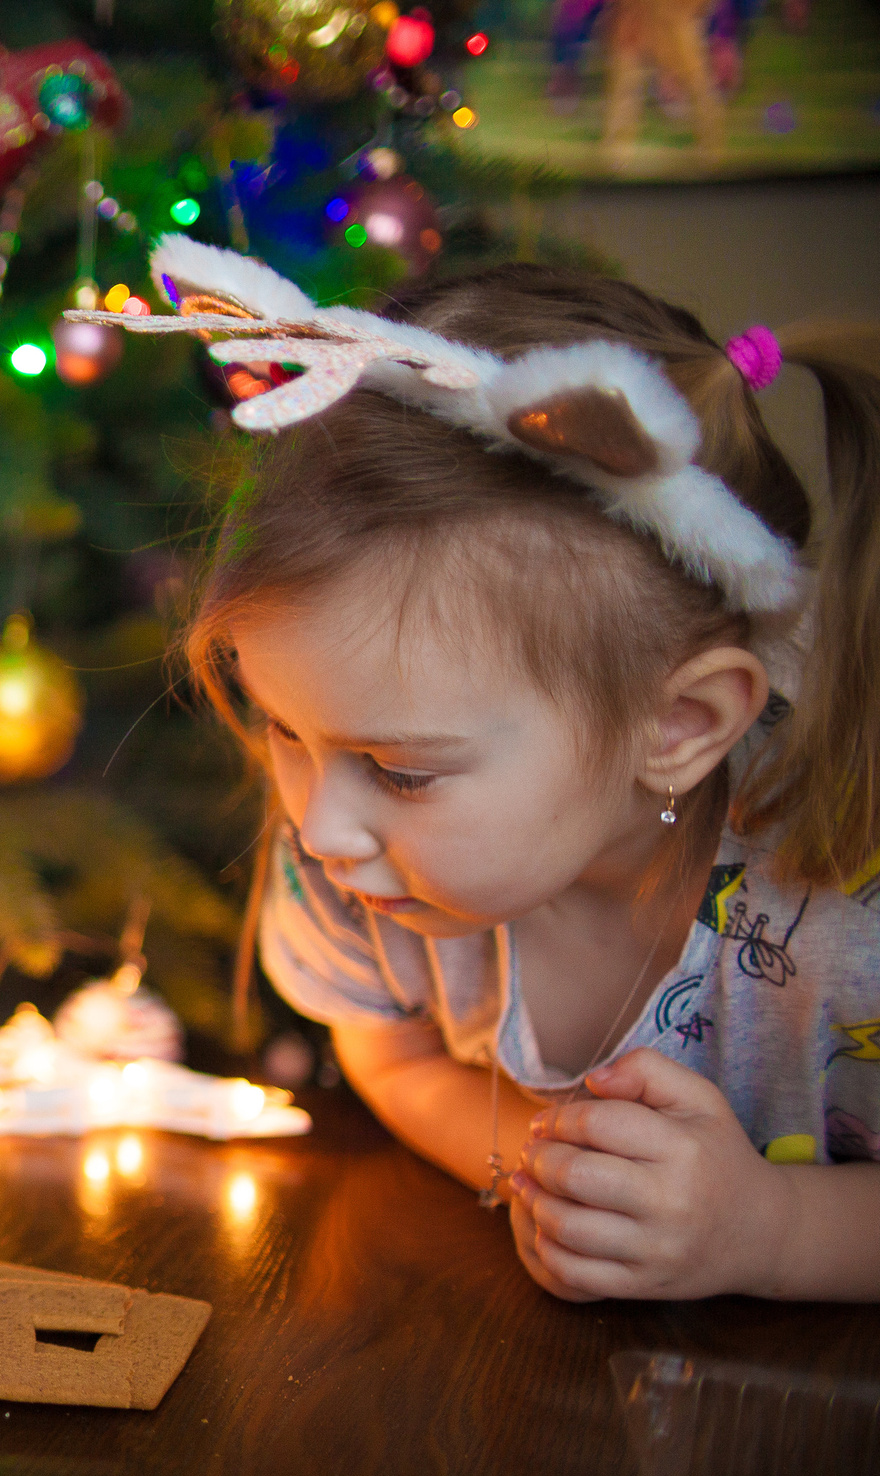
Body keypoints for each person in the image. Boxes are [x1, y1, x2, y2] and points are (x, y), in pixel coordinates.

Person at [101, 237, 879, 1303]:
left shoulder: (851, 918)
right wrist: (540, 1174)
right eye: (284, 728)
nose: (317, 827)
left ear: (680, 729)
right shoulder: (359, 864)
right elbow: (392, 1053)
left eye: (402, 771)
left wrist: (771, 1231)